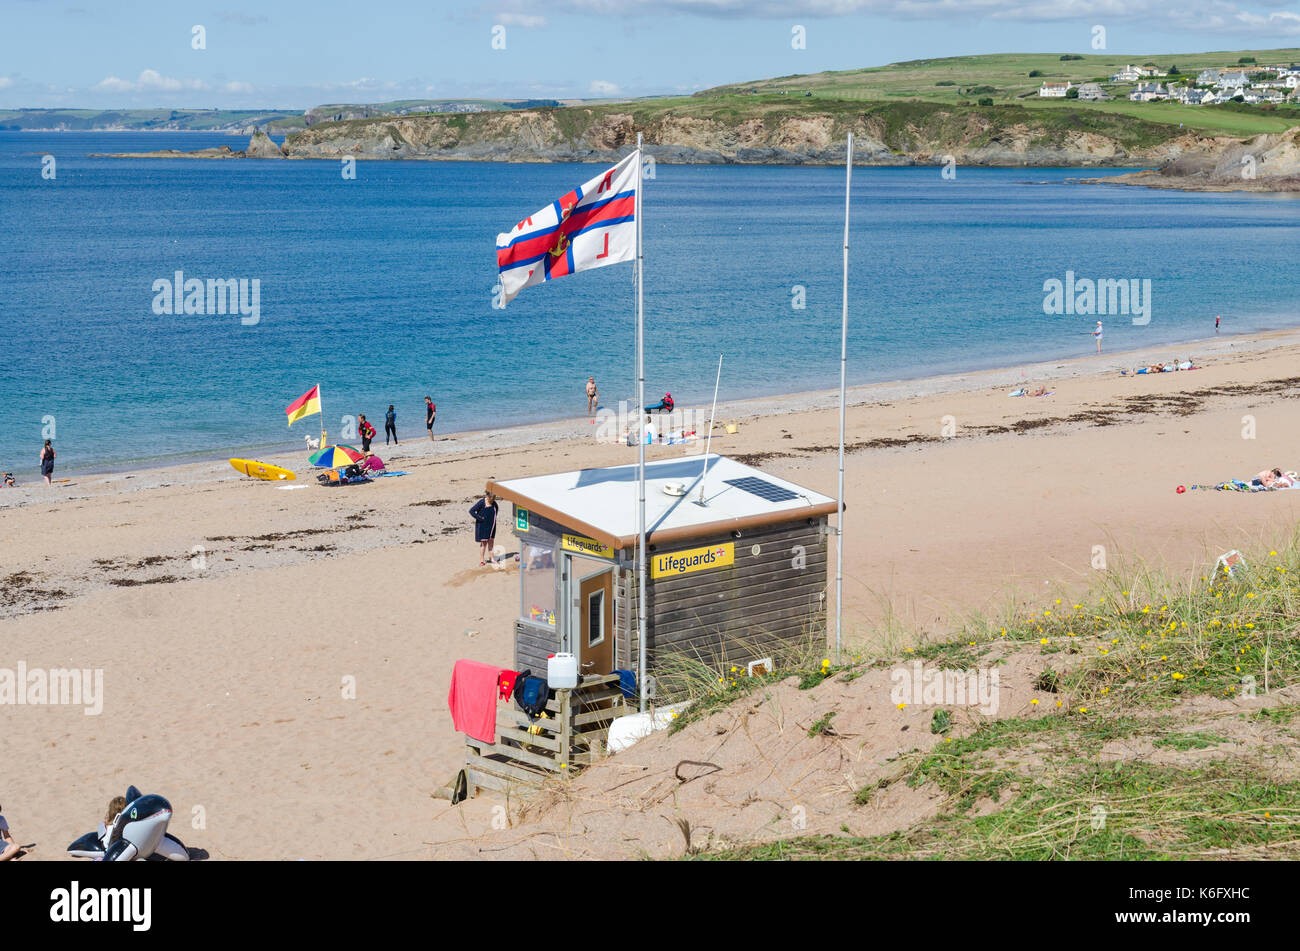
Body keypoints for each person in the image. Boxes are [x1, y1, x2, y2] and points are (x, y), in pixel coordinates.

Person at [469, 491, 499, 566]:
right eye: (491, 499)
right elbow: (471, 511)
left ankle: (492, 558)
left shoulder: (494, 503)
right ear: (487, 497)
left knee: (491, 543)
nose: (492, 501)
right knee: (484, 544)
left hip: (492, 526)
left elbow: (496, 512)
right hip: (483, 526)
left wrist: (492, 520)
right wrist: (480, 518)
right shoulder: (481, 502)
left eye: (493, 499)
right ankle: (482, 560)